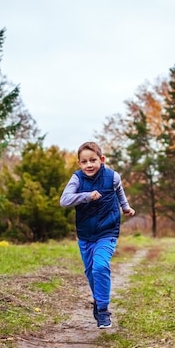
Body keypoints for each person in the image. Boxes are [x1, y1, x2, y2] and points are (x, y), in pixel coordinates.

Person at [60, 141, 135, 329]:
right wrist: (86, 195)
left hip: (107, 231)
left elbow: (119, 191)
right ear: (79, 163)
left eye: (93, 160)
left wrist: (125, 207)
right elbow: (64, 200)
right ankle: (98, 300)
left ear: (102, 160)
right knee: (91, 272)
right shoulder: (77, 179)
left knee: (100, 267)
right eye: (84, 162)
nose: (89, 165)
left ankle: (103, 310)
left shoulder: (112, 177)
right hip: (85, 234)